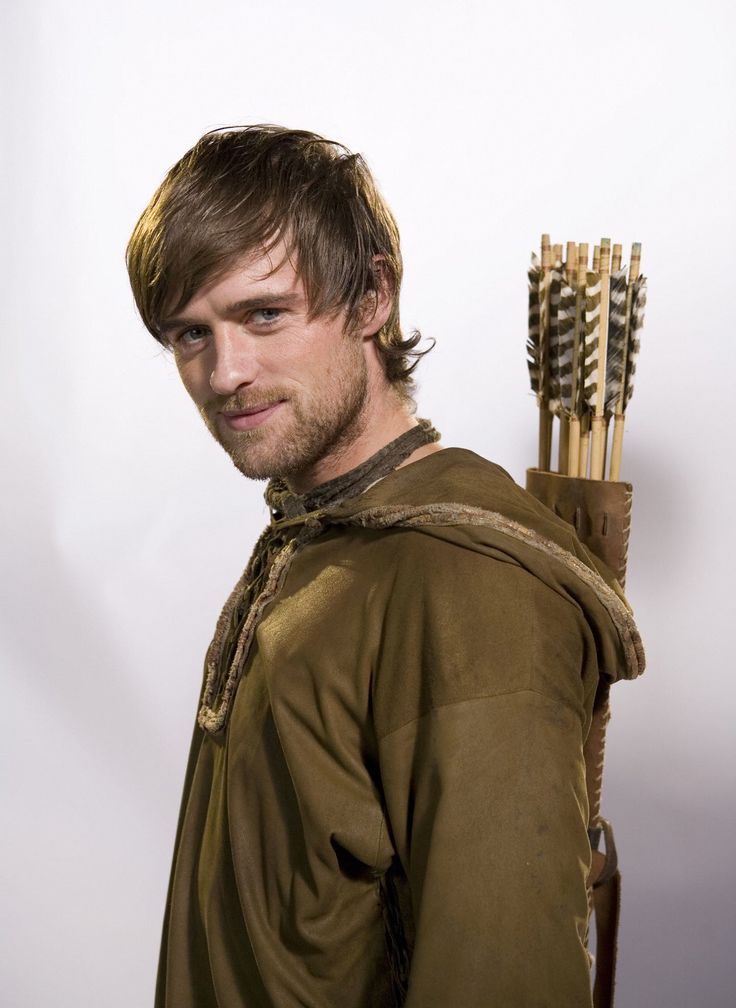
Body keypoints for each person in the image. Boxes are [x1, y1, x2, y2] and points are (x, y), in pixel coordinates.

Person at [126, 126, 643, 1008]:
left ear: (371, 298)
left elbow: (501, 981)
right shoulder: (320, 533)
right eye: (189, 334)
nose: (225, 373)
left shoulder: (469, 591)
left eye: (263, 313)